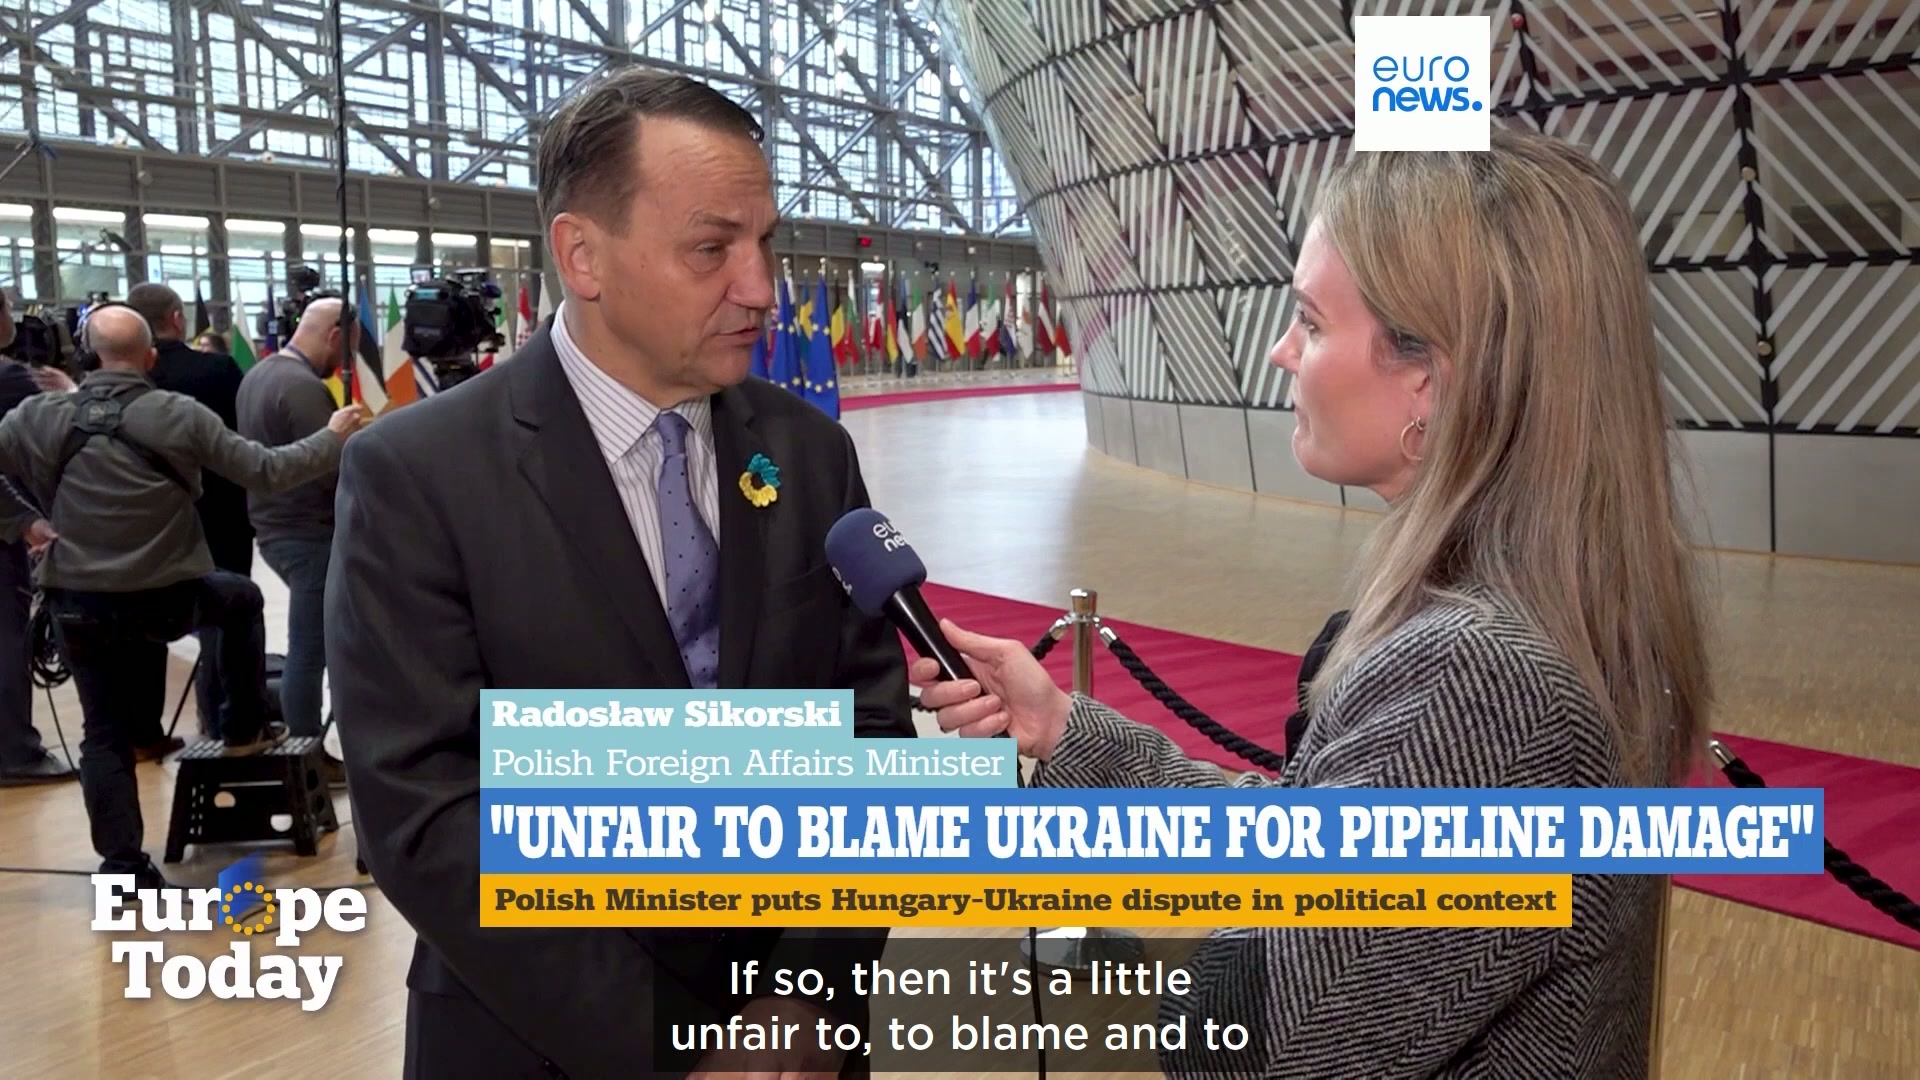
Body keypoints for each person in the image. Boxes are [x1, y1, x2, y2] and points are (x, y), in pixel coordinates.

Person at [911, 129, 1714, 1079]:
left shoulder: (1482, 680)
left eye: (1313, 322)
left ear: (1428, 375)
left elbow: (1255, 1039)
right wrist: (1064, 728)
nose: (1282, 351)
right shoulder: (1551, 609)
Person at [328, 69, 914, 1080]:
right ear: (582, 256)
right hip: (543, 1042)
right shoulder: (418, 474)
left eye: (765, 243)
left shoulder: (809, 453)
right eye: (711, 248)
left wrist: (807, 988)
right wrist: (673, 1048)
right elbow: (425, 806)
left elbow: (868, 734)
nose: (761, 288)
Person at [0, 305, 366, 888]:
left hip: (78, 602)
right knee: (240, 599)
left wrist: (22, 522)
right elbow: (268, 471)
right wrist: (333, 436)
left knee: (103, 733)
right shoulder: (178, 414)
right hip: (166, 596)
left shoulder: (35, 417)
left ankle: (123, 866)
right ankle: (241, 728)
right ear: (150, 357)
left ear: (89, 355)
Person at [127, 283, 253, 756]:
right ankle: (225, 722)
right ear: (177, 319)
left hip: (144, 518)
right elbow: (242, 439)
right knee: (228, 614)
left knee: (144, 620)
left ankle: (145, 730)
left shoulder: (124, 380)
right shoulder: (217, 370)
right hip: (219, 512)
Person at [238, 295, 355, 753]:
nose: (343, 362)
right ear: (333, 335)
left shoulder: (258, 375)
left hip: (273, 528)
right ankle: (304, 752)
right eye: (347, 348)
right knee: (310, 651)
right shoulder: (303, 388)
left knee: (310, 645)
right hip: (308, 534)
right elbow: (332, 466)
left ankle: (304, 746)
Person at [0, 290, 77, 786]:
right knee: (7, 638)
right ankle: (16, 752)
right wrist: (70, 391)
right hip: (4, 533)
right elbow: (66, 431)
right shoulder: (9, 379)